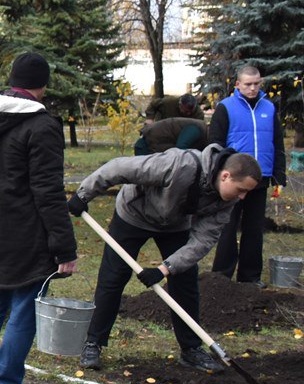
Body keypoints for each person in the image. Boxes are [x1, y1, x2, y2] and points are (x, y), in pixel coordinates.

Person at [69, 146, 261, 372]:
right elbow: (118, 167)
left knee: (185, 281)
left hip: (176, 225)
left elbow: (202, 241)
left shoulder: (227, 201)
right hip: (133, 215)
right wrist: (84, 194)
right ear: (226, 175)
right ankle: (94, 342)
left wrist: (164, 269)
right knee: (114, 277)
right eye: (241, 190)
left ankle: (191, 349)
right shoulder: (180, 164)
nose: (242, 197)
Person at [0, 51, 78, 384]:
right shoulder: (42, 125)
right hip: (25, 229)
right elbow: (47, 190)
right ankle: (8, 383)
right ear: (42, 85)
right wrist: (64, 247)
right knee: (26, 302)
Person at [210, 66, 286, 285]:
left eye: (256, 84)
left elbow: (277, 143)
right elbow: (215, 144)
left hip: (260, 179)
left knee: (254, 230)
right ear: (238, 85)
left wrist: (278, 174)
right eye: (248, 84)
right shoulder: (225, 108)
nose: (253, 88)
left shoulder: (269, 109)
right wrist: (218, 175)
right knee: (228, 228)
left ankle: (249, 278)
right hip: (233, 179)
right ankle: (221, 278)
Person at [134, 117, 209, 156]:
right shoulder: (197, 129)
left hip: (153, 145)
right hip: (146, 145)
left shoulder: (202, 130)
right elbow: (180, 149)